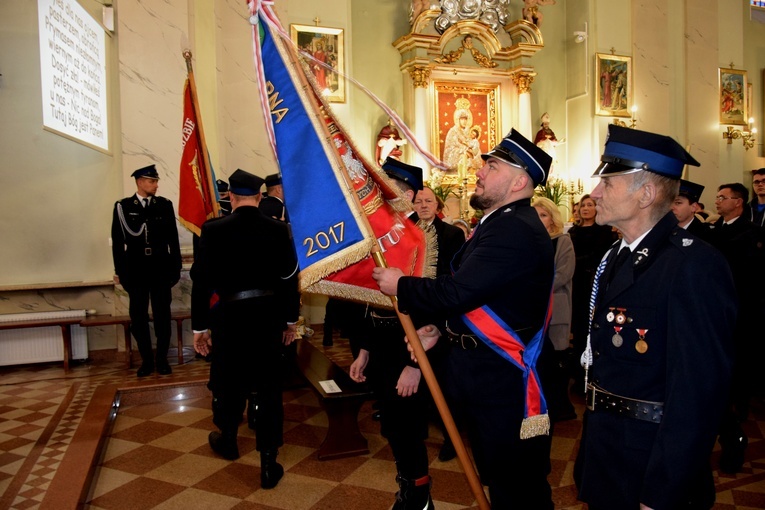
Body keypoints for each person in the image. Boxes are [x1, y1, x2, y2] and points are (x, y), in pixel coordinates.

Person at [372, 129, 556, 509]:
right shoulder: (501, 222)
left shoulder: (513, 228)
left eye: (492, 166)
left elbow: (457, 292)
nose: (480, 170)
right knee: (499, 475)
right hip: (484, 373)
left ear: (520, 180)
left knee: (517, 486)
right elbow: (482, 296)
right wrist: (440, 329)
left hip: (503, 378)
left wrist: (400, 284)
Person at [574, 125, 736, 509]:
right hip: (607, 450)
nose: (595, 193)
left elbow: (697, 394)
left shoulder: (692, 264)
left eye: (608, 184)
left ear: (645, 194)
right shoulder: (616, 255)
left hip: (650, 461)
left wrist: (661, 491)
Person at [190, 169, 299, 490]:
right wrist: (290, 322)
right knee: (268, 388)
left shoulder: (213, 230)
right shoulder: (279, 230)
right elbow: (289, 281)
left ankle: (227, 439)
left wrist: (200, 328)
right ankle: (268, 463)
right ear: (260, 197)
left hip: (230, 317)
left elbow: (201, 285)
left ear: (231, 197)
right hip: (268, 317)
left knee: (228, 380)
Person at [349, 158, 445, 510]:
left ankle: (419, 496)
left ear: (404, 194)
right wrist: (363, 351)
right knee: (392, 426)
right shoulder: (379, 238)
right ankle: (407, 487)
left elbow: (435, 310)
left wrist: (415, 364)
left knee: (409, 428)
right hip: (381, 348)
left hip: (412, 351)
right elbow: (369, 302)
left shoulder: (430, 238)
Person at [709, 182, 763, 474]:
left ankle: (737, 424)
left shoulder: (751, 233)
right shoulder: (713, 230)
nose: (717, 201)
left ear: (739, 202)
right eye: (716, 197)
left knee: (733, 374)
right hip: (712, 314)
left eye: (723, 197)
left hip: (737, 314)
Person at [111, 164, 182, 377]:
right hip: (136, 269)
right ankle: (147, 361)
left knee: (162, 316)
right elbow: (117, 243)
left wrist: (175, 267)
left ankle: (161, 360)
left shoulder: (164, 205)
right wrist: (122, 272)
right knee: (138, 317)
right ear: (140, 182)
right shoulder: (123, 207)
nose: (156, 185)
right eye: (152, 181)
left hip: (160, 267)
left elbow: (173, 240)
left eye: (156, 180)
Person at [532, 196, 576, 422]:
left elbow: (564, 274)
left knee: (555, 357)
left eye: (544, 215)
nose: (539, 219)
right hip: (532, 304)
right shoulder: (529, 241)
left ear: (552, 218)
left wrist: (535, 286)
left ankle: (560, 407)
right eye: (536, 215)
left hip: (554, 304)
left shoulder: (562, 240)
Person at [567, 194, 618, 389]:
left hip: (591, 284)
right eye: (582, 205)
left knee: (590, 327)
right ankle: (577, 374)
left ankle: (592, 375)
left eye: (590, 205)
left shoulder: (604, 232)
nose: (586, 208)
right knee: (577, 329)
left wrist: (578, 263)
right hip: (575, 284)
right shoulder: (572, 231)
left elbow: (599, 257)